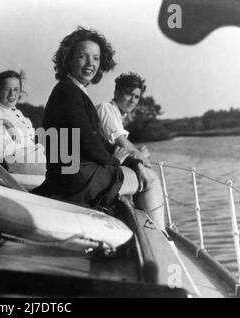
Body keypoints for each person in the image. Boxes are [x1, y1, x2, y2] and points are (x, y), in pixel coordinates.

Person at [36, 27, 166, 230]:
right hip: (75, 180)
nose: (91, 64)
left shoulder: (72, 90)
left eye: (96, 58)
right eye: (82, 57)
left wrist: (132, 161)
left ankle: (150, 231)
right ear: (68, 58)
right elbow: (88, 141)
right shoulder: (68, 93)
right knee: (150, 180)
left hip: (69, 175)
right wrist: (116, 162)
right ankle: (161, 237)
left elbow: (99, 141)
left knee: (138, 171)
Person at [0, 70, 46, 175]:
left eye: (16, 90)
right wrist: (5, 122)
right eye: (6, 89)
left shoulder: (18, 114)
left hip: (29, 158)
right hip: (12, 163)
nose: (12, 94)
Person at [96, 72, 151, 167]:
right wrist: (142, 156)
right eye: (129, 94)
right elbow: (122, 144)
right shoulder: (105, 108)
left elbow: (120, 149)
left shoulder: (118, 116)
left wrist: (137, 152)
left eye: (136, 97)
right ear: (116, 93)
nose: (133, 100)